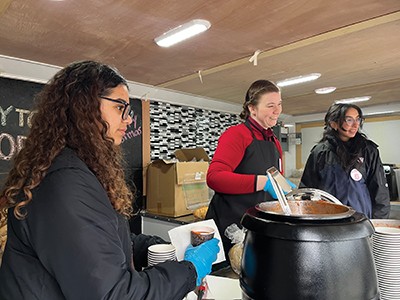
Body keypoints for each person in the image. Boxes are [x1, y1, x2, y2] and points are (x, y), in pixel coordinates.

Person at [0, 60, 219, 299]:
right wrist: (190, 271)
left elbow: (99, 240)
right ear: (84, 105)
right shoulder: (65, 182)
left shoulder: (75, 168)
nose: (128, 119)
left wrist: (149, 247)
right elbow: (114, 294)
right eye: (120, 107)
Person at [206, 79, 294, 258]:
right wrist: (263, 182)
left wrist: (284, 187)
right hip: (230, 226)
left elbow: (275, 176)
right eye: (270, 105)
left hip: (258, 225)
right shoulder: (236, 135)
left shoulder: (274, 141)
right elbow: (214, 177)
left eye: (279, 104)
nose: (277, 111)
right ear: (252, 109)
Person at [300, 103, 390, 219]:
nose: (355, 125)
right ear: (334, 124)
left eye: (358, 119)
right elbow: (307, 190)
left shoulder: (368, 150)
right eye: (349, 120)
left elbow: (380, 192)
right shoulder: (320, 152)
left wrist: (377, 225)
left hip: (359, 220)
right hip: (327, 220)